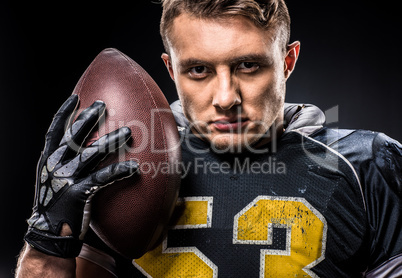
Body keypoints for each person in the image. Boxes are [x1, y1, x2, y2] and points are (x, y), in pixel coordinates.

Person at [16, 0, 402, 277]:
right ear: (171, 68)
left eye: (248, 65)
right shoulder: (123, 162)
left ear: (287, 61)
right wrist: (47, 237)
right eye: (198, 70)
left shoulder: (367, 164)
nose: (225, 98)